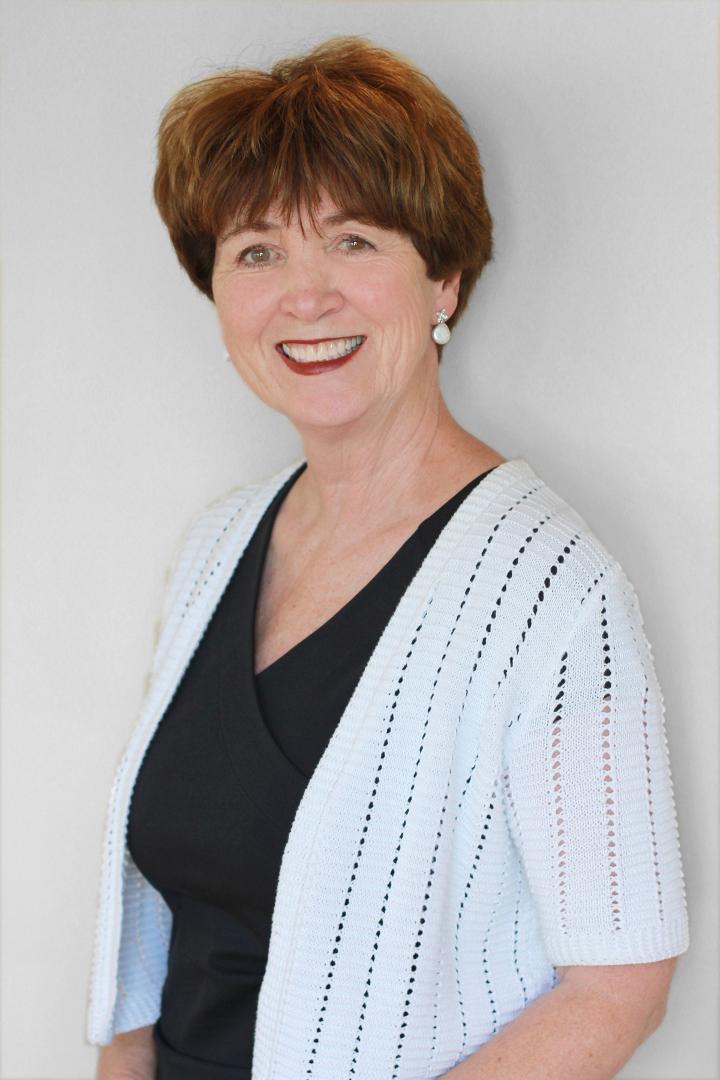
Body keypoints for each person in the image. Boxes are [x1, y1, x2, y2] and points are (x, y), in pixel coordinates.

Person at [87, 36, 689, 1080]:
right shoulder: (215, 549)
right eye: (257, 252)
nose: (305, 295)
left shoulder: (551, 589)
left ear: (443, 278)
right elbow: (158, 934)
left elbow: (620, 984)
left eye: (354, 241)